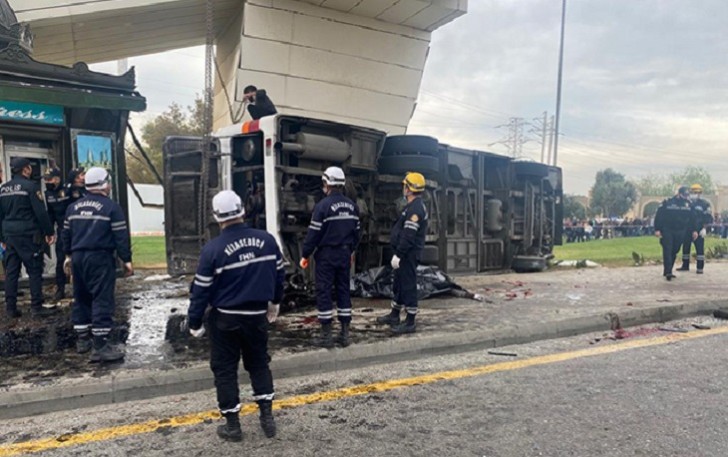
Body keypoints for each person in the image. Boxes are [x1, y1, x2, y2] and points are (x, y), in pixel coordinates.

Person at [185, 190, 284, 442]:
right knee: (259, 364)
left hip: (225, 320)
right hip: (256, 317)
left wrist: (195, 322)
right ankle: (267, 418)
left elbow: (200, 292)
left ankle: (233, 426)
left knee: (225, 370)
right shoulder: (268, 240)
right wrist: (274, 301)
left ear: (217, 217)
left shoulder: (212, 250)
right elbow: (279, 275)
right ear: (242, 210)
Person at [62, 167, 133, 361]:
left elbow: (65, 234)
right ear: (103, 184)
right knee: (102, 298)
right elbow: (121, 236)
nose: (110, 185)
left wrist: (68, 256)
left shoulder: (73, 207)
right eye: (108, 182)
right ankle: (101, 345)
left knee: (81, 296)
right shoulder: (111, 207)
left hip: (77, 258)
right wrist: (126, 260)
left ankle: (82, 339)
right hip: (100, 258)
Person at [299, 167, 361, 348]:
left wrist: (305, 254)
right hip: (344, 254)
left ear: (327, 184)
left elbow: (313, 234)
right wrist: (350, 252)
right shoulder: (353, 207)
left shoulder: (322, 207)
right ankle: (344, 334)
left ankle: (326, 335)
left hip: (326, 255)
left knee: (324, 291)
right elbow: (357, 234)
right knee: (343, 290)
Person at [0, 158, 56, 319]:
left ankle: (11, 308)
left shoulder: (3, 189)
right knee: (34, 270)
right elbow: (40, 212)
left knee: (11, 272)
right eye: (29, 168)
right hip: (28, 235)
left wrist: (2, 236)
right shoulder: (31, 187)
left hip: (10, 235)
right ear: (25, 170)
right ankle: (36, 307)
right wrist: (49, 232)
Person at [376, 172, 428, 334]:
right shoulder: (412, 206)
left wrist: (399, 254)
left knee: (408, 285)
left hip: (407, 254)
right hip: (404, 253)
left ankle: (410, 321)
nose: (403, 188)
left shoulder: (415, 209)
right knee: (398, 283)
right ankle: (394, 314)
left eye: (405, 186)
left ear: (410, 189)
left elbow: (408, 235)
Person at [654, 186, 696, 281]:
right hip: (668, 229)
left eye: (687, 195)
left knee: (675, 250)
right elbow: (659, 215)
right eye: (684, 195)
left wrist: (694, 230)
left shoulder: (689, 204)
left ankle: (668, 269)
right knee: (667, 249)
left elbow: (693, 218)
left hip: (681, 230)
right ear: (678, 194)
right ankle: (668, 271)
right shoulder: (667, 202)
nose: (686, 197)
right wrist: (657, 229)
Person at [44, 167, 71, 301]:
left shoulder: (68, 189)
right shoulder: (48, 194)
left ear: (57, 179)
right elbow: (50, 214)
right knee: (60, 260)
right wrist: (49, 231)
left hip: (74, 229)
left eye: (50, 179)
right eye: (46, 180)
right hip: (61, 230)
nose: (47, 182)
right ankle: (60, 289)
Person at [677, 184, 713, 274]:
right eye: (693, 192)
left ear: (700, 193)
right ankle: (685, 265)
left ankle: (700, 267)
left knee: (699, 249)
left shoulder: (705, 204)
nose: (695, 194)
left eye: (697, 192)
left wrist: (704, 228)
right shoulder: (687, 203)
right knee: (685, 248)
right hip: (687, 229)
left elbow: (708, 217)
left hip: (700, 229)